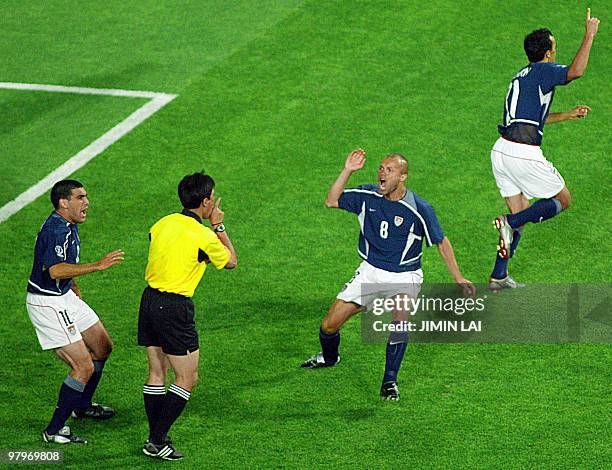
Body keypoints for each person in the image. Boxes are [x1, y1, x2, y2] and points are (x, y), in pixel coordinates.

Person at [301, 150, 475, 400]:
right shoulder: (367, 196)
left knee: (400, 321)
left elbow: (441, 241)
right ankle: (330, 358)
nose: (382, 173)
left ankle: (389, 381)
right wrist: (348, 169)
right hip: (370, 273)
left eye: (389, 170)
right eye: (381, 168)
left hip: (405, 275)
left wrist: (458, 277)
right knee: (328, 326)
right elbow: (331, 200)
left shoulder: (419, 209)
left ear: (403, 176)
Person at [489, 9, 601, 291]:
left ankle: (498, 275)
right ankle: (508, 221)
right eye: (554, 45)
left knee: (523, 214)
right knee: (563, 199)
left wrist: (567, 115)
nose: (556, 48)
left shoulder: (521, 76)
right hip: (523, 154)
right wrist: (589, 35)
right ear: (548, 52)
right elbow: (576, 71)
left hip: (501, 152)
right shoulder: (544, 70)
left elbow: (531, 117)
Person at [138, 171, 237, 461]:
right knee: (187, 377)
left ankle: (155, 436)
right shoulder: (204, 235)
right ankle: (156, 440)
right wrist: (218, 226)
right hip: (174, 308)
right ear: (206, 202)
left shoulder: (162, 223)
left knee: (157, 372)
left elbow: (159, 243)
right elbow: (231, 261)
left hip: (149, 301)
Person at [26, 180, 124, 444]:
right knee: (83, 366)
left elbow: (61, 266)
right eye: (80, 197)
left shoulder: (67, 225)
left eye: (86, 196)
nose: (86, 202)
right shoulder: (57, 230)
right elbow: (55, 269)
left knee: (103, 346)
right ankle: (54, 430)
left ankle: (82, 405)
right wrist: (97, 266)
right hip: (47, 303)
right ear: (63, 202)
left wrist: (74, 284)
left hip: (63, 294)